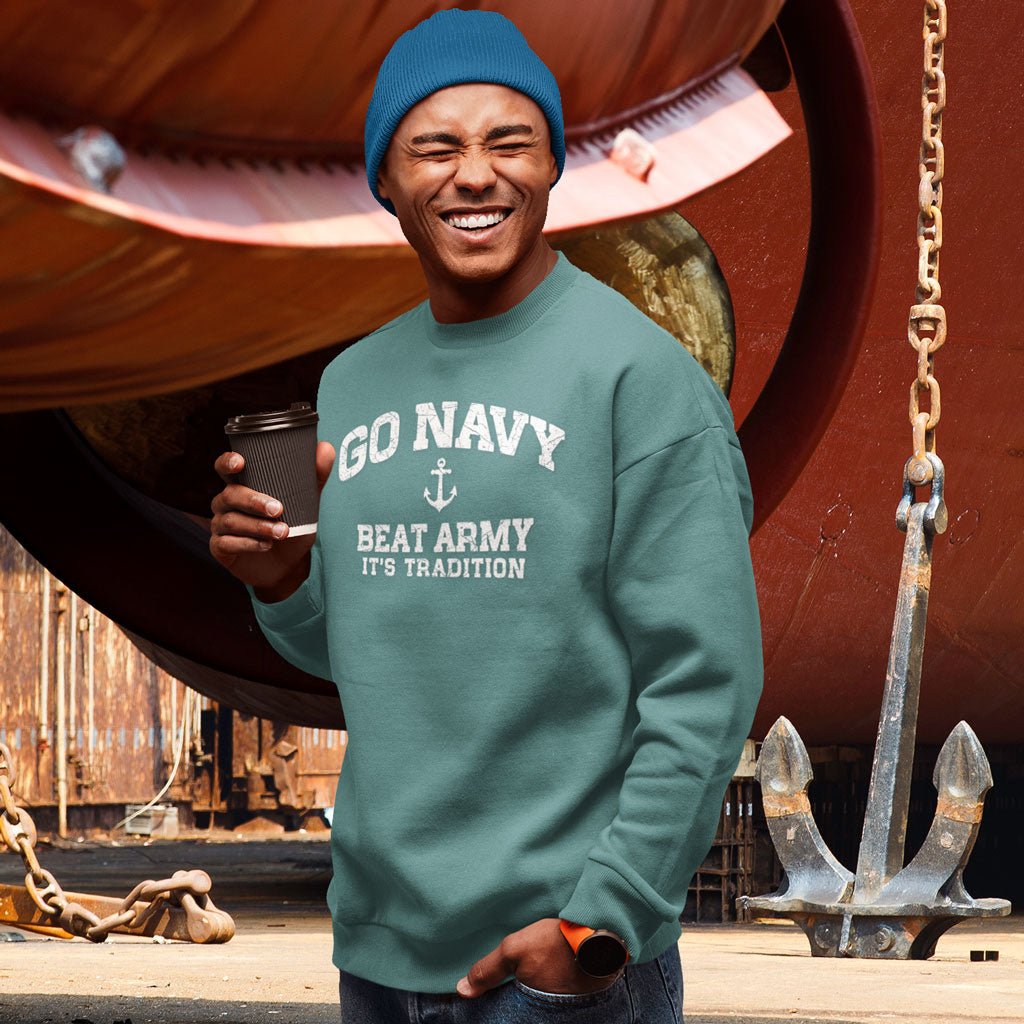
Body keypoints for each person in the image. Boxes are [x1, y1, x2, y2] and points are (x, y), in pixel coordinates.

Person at [210, 9, 763, 1022]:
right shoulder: (350, 385)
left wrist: (602, 923)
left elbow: (704, 682)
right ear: (386, 179)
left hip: (557, 959)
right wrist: (282, 582)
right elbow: (365, 654)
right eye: (436, 148)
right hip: (380, 951)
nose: (475, 175)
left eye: (510, 142)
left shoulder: (639, 381)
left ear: (553, 166)